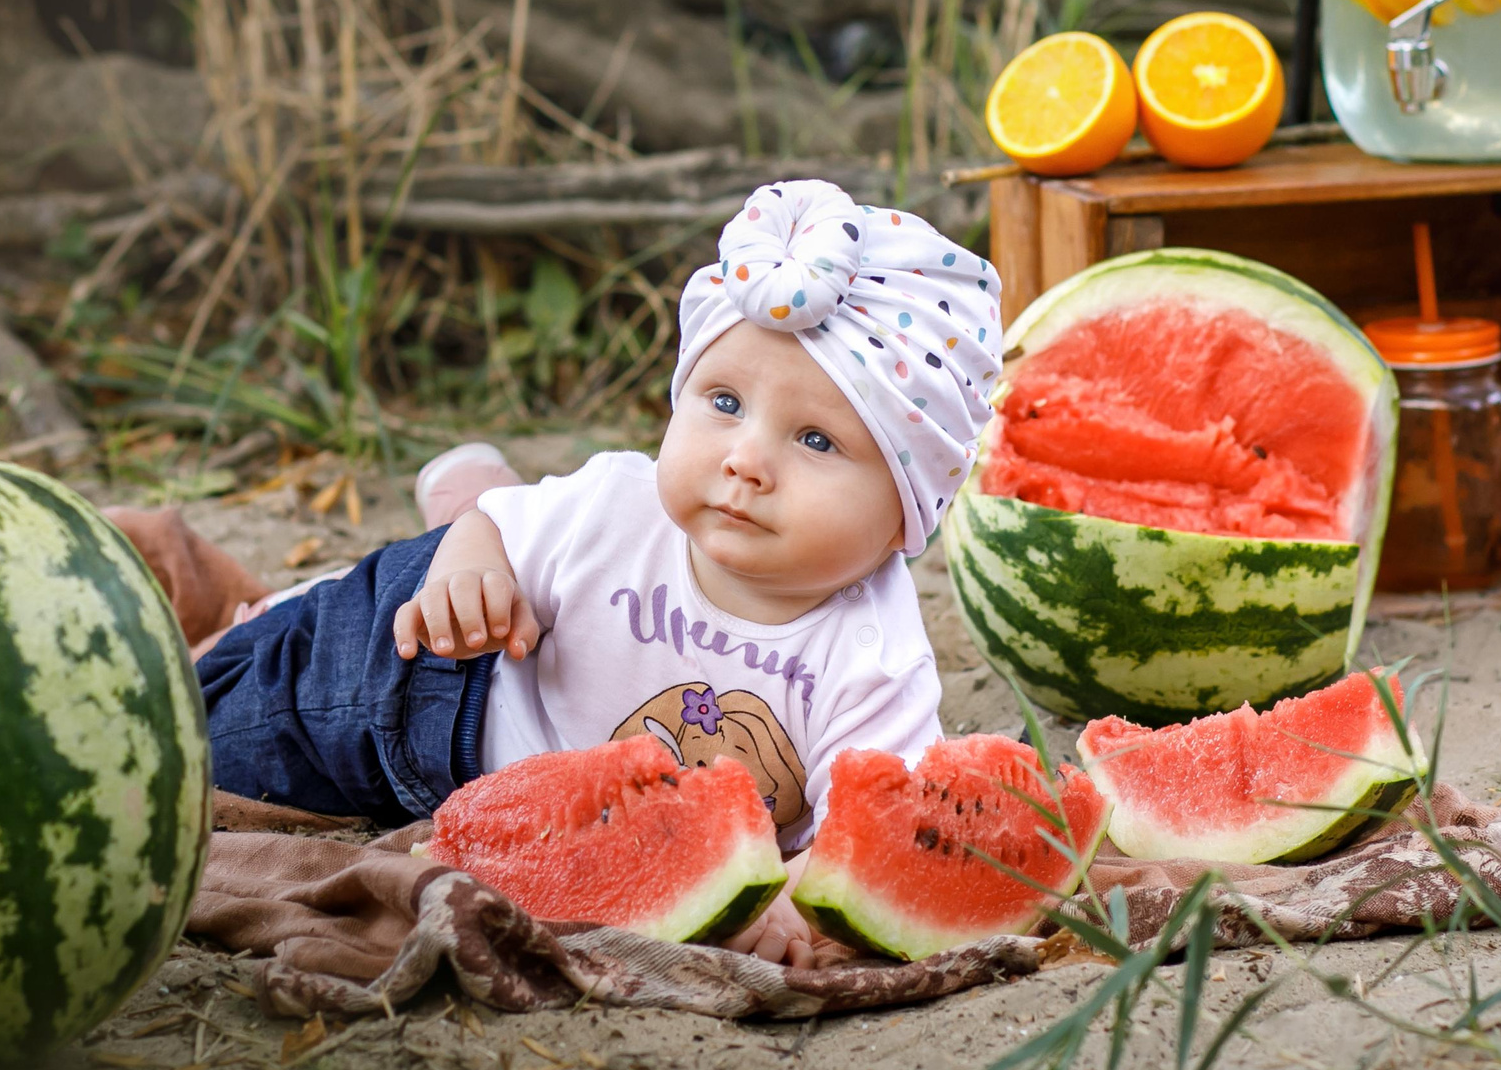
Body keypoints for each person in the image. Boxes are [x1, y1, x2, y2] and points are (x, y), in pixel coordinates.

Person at [195, 180, 1002, 965]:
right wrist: (469, 563)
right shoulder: (612, 505)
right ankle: (422, 527)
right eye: (723, 402)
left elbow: (875, 823)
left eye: (816, 440)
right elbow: (492, 539)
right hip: (436, 676)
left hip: (538, 814)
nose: (745, 461)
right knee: (216, 730)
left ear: (906, 513)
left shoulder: (876, 654)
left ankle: (474, 486)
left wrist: (799, 894)